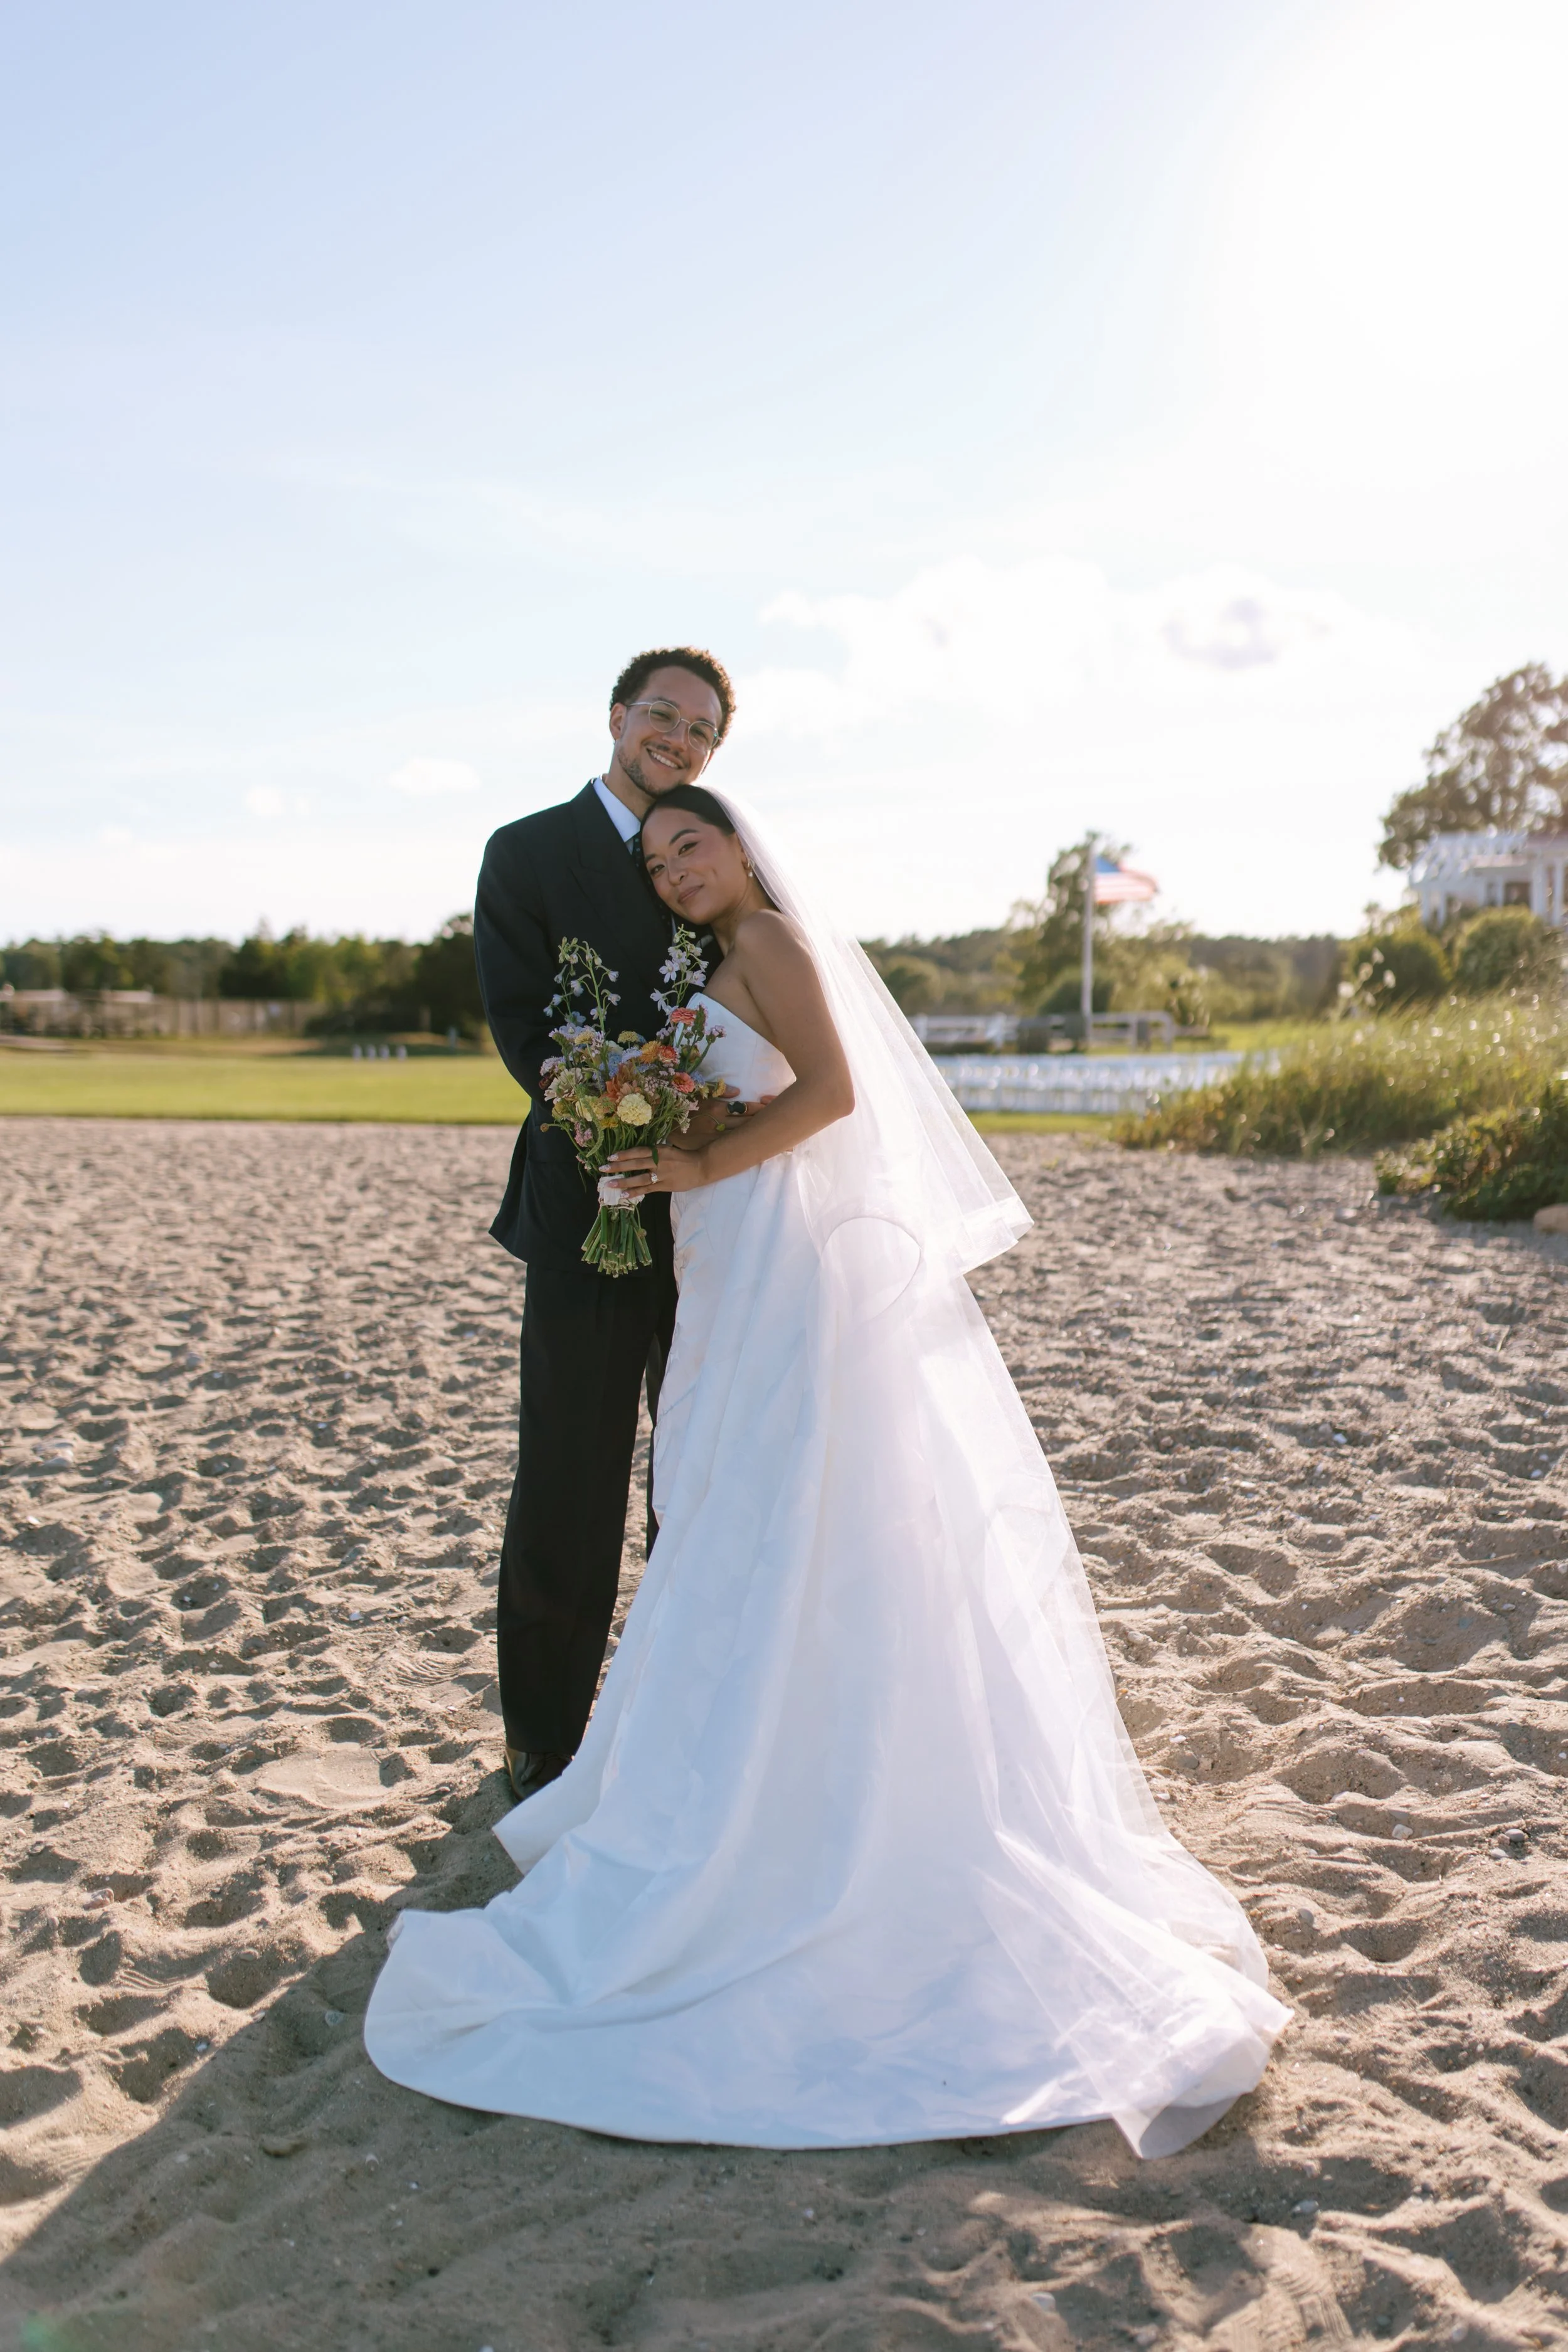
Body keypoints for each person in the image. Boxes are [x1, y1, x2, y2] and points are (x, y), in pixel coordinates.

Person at [366, 782, 1290, 2157]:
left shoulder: (774, 948)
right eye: (658, 858)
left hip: (782, 1261)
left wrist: (693, 1155)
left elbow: (835, 1092)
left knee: (782, 1497)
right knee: (734, 1502)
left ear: (742, 845)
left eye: (693, 845)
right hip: (734, 1259)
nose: (675, 870)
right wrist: (667, 1163)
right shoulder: (718, 956)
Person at [472, 649, 743, 1804]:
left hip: (719, 1216)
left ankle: (682, 1713)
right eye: (663, 716)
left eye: (701, 732)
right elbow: (521, 1021)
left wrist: (697, 1121)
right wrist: (606, 1105)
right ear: (619, 716)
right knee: (568, 1477)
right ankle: (544, 1734)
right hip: (584, 1211)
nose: (677, 740)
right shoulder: (525, 852)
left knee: (696, 1476)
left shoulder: (717, 858)